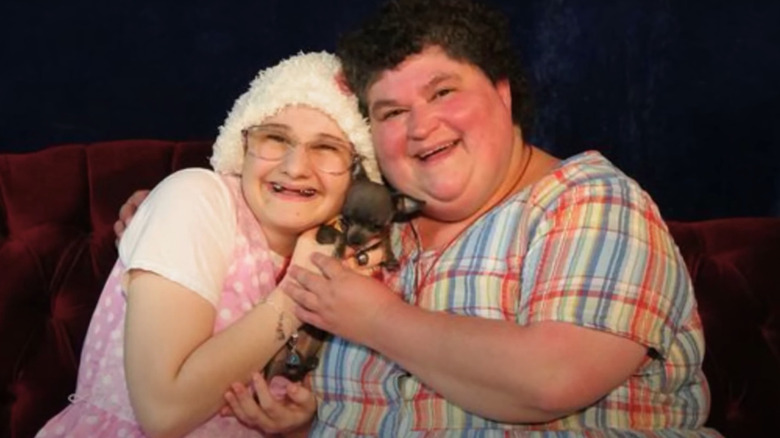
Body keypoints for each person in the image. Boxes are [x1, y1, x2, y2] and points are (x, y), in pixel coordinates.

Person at [117, 0, 720, 436]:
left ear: (503, 94)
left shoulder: (590, 201)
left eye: (442, 93)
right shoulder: (373, 230)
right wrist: (175, 214)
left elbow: (552, 379)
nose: (420, 126)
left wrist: (378, 318)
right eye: (390, 111)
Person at [37, 51, 383, 438]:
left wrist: (299, 425)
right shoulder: (197, 198)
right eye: (274, 138)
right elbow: (163, 413)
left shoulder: (348, 258)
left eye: (327, 148)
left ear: (359, 174)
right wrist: (296, 293)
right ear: (243, 147)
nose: (295, 166)